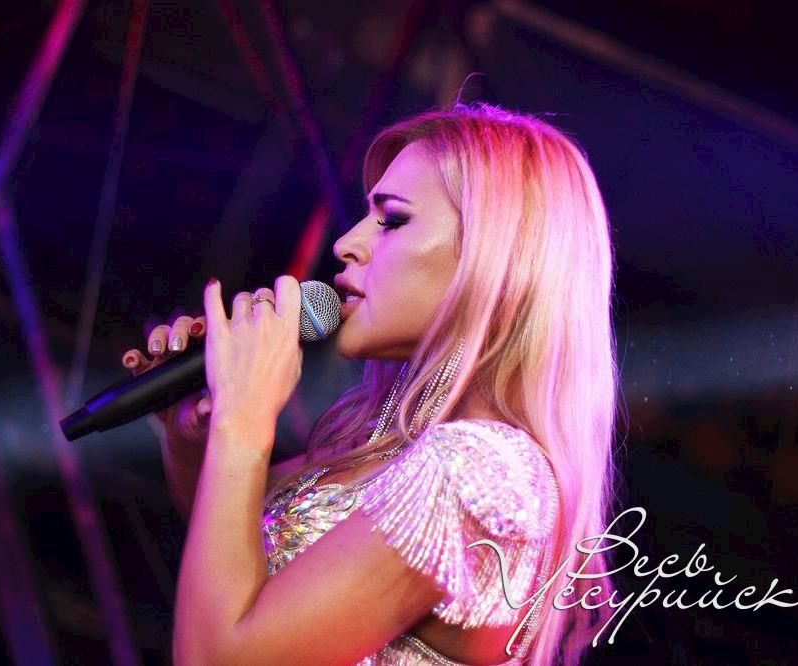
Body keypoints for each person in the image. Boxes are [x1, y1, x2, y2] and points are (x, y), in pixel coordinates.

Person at [122, 102, 619, 665]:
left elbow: (213, 657)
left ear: (497, 258)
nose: (346, 243)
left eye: (393, 220)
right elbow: (235, 556)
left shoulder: (485, 469)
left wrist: (246, 418)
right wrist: (194, 439)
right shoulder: (385, 443)